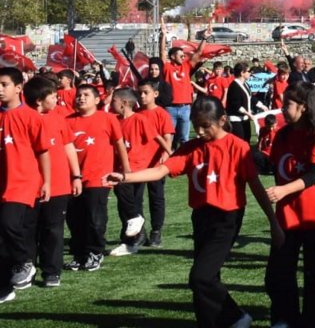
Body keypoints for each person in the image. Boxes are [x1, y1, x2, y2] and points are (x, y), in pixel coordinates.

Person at [106, 99, 283, 328]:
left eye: (205, 126)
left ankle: (236, 317)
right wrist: (125, 177)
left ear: (222, 120)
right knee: (207, 278)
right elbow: (162, 169)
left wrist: (273, 222)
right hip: (201, 217)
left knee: (200, 277)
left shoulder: (237, 147)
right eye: (195, 125)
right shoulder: (192, 147)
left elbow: (256, 187)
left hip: (226, 219)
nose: (199, 131)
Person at [264, 84, 315, 328]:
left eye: (287, 105)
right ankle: (284, 319)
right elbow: (273, 165)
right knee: (277, 275)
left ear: (304, 107)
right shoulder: (283, 135)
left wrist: (284, 189)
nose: (282, 109)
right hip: (286, 216)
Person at [20, 76, 78, 291]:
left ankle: (51, 271)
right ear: (39, 100)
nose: (57, 100)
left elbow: (69, 147)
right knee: (27, 229)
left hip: (59, 184)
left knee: (53, 230)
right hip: (27, 185)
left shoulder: (58, 118)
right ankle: (25, 269)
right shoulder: (21, 118)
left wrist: (76, 175)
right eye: (53, 96)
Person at [0, 67, 52, 304]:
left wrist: (47, 182)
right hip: (2, 183)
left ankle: (25, 260)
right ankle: (4, 287)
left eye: (4, 84)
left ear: (19, 87)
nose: (0, 89)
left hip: (22, 183)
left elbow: (43, 152)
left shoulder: (30, 117)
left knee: (9, 224)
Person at [67, 82, 129, 273]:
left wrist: (127, 171)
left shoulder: (107, 119)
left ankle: (95, 252)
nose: (81, 98)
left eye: (86, 95)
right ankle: (79, 254)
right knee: (75, 219)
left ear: (96, 99)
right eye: (79, 94)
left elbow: (119, 145)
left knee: (95, 218)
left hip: (98, 177)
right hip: (74, 178)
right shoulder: (68, 120)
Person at [160, 15, 211, 145]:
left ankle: (184, 163)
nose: (183, 56)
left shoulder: (186, 66)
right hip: (170, 108)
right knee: (169, 139)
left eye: (184, 55)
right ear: (172, 56)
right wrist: (163, 36)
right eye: (180, 55)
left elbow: (198, 53)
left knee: (184, 139)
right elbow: (162, 54)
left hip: (185, 108)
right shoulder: (167, 67)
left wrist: (204, 38)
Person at [108, 88, 148, 257]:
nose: (111, 104)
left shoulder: (139, 119)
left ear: (124, 103)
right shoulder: (115, 120)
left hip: (135, 168)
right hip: (119, 168)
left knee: (130, 202)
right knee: (124, 203)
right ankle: (131, 238)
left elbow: (155, 139)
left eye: (114, 101)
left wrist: (163, 155)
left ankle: (131, 240)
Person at [135, 79, 175, 248]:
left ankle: (156, 231)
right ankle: (139, 231)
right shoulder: (136, 113)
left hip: (156, 164)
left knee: (156, 197)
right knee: (135, 199)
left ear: (155, 94)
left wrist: (165, 156)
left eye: (146, 93)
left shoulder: (161, 114)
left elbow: (168, 137)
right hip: (137, 163)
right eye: (140, 93)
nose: (142, 96)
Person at [223, 63, 254, 142]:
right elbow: (235, 104)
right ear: (242, 73)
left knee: (247, 139)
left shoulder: (245, 84)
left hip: (245, 118)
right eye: (248, 71)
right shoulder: (234, 86)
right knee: (239, 141)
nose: (250, 73)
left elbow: (249, 98)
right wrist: (248, 113)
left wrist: (262, 106)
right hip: (236, 119)